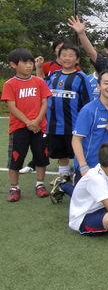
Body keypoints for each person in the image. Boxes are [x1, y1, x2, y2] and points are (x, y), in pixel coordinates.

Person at [2, 48, 52, 202]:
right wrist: (28, 122)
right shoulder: (10, 84)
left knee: (41, 156)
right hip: (19, 128)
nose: (29, 65)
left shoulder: (39, 81)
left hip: (39, 127)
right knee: (15, 159)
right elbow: (12, 107)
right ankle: (14, 188)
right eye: (25, 62)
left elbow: (45, 102)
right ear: (13, 65)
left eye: (31, 62)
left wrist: (37, 121)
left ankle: (40, 184)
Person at [44, 43, 92, 203]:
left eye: (71, 55)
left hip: (74, 127)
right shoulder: (53, 76)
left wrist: (86, 124)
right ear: (58, 58)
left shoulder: (81, 77)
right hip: (54, 126)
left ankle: (79, 183)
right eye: (64, 55)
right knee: (61, 155)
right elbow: (45, 97)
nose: (67, 58)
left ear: (77, 59)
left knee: (78, 155)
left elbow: (87, 102)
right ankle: (62, 182)